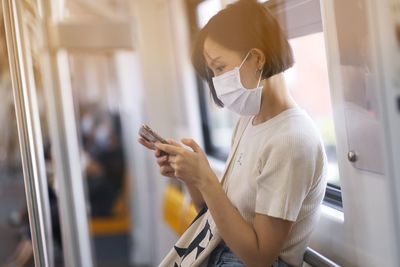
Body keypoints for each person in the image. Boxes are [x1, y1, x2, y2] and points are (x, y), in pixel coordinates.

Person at [139, 1, 327, 266]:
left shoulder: (291, 139)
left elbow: (259, 257)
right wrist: (192, 176)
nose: (216, 81)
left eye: (219, 67)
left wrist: (205, 177)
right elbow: (215, 217)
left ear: (258, 58)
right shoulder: (248, 122)